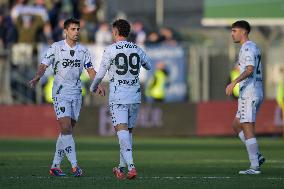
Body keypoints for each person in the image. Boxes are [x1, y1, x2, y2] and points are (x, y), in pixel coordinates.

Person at [29, 18, 105, 177]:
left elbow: (90, 70)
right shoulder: (56, 47)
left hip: (76, 93)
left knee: (66, 132)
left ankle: (55, 166)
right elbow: (44, 64)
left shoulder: (83, 50)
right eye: (73, 29)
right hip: (61, 92)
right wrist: (37, 76)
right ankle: (75, 166)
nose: (76, 32)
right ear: (65, 31)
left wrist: (97, 83)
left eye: (78, 29)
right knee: (66, 128)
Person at [90, 19, 151, 180]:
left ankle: (131, 167)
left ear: (116, 32)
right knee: (128, 132)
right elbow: (149, 65)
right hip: (135, 95)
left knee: (121, 131)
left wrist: (92, 87)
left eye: (112, 31)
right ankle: (121, 167)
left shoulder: (110, 50)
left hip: (118, 96)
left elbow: (100, 74)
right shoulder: (136, 48)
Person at [226, 20, 265, 174]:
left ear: (244, 32)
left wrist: (234, 82)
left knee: (247, 126)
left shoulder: (248, 47)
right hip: (250, 92)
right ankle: (257, 156)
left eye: (234, 30)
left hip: (250, 92)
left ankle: (254, 166)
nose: (232, 33)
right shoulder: (250, 47)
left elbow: (249, 69)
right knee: (236, 125)